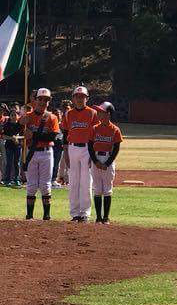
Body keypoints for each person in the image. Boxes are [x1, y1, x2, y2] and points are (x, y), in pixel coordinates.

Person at [23, 88, 61, 220]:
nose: (43, 102)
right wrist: (19, 124)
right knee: (31, 185)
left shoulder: (52, 117)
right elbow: (15, 130)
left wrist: (34, 135)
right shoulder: (28, 116)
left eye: (46, 100)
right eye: (40, 99)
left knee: (45, 185)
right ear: (35, 100)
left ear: (49, 102)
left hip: (46, 153)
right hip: (32, 152)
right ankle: (29, 215)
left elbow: (53, 137)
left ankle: (46, 215)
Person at [62, 86, 97, 222]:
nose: (79, 99)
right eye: (77, 96)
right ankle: (74, 213)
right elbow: (65, 135)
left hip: (87, 149)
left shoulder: (92, 113)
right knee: (73, 182)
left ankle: (85, 213)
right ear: (73, 98)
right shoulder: (68, 114)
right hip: (72, 148)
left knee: (86, 182)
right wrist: (65, 153)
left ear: (87, 98)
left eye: (82, 96)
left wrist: (92, 153)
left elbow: (95, 134)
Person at [88, 101, 122, 223]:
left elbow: (116, 148)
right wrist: (95, 161)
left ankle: (106, 218)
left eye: (101, 112)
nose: (98, 114)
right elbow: (90, 146)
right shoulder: (94, 128)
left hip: (108, 159)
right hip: (96, 158)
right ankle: (98, 218)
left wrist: (107, 163)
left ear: (108, 114)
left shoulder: (115, 130)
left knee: (107, 189)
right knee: (97, 189)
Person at [1, 107, 24, 186]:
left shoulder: (21, 125)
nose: (13, 116)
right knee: (9, 162)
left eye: (15, 115)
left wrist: (17, 138)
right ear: (10, 116)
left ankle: (17, 178)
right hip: (9, 146)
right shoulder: (6, 125)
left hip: (17, 146)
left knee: (17, 163)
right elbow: (3, 136)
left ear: (18, 116)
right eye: (12, 115)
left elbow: (24, 136)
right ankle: (7, 179)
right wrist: (11, 138)